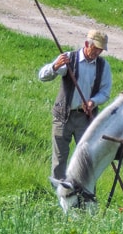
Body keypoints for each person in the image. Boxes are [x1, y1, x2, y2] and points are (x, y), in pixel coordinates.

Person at [39, 29, 112, 180]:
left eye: (101, 49)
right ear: (87, 44)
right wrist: (55, 66)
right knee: (59, 159)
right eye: (96, 48)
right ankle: (59, 192)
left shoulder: (103, 66)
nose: (98, 52)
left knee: (85, 160)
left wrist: (93, 101)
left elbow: (105, 92)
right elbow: (42, 76)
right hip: (63, 117)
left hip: (85, 119)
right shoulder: (68, 58)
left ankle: (84, 195)